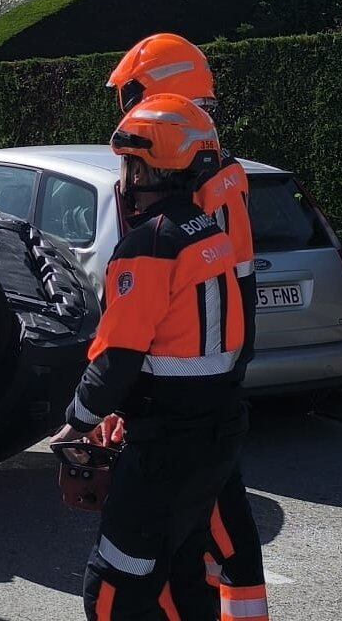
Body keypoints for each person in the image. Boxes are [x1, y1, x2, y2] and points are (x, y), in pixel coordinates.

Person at [50, 95, 251, 621]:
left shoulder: (149, 246)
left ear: (144, 167)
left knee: (114, 586)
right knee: (185, 576)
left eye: (128, 164)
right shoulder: (213, 235)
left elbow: (118, 353)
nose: (124, 177)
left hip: (165, 450)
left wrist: (78, 420)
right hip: (216, 435)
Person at [108, 33, 267, 619]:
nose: (125, 105)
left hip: (195, 394)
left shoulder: (201, 179)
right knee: (207, 522)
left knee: (218, 521)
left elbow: (212, 289)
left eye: (132, 91)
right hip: (200, 384)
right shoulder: (204, 168)